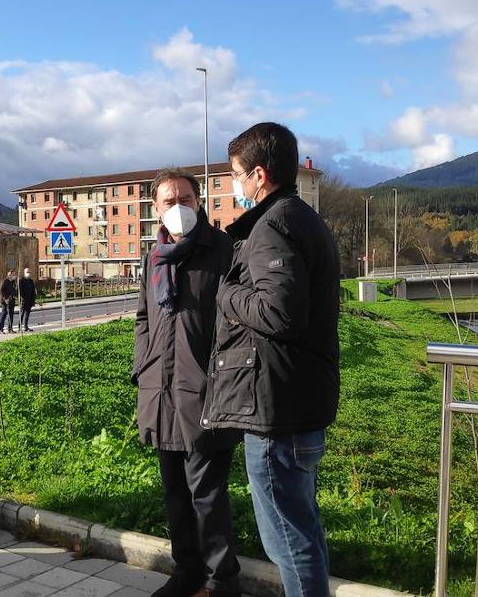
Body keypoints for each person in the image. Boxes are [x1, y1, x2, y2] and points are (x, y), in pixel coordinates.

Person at [202, 123, 341, 597]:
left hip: (276, 412)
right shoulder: (302, 217)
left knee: (287, 539)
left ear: (259, 175)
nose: (235, 185)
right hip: (298, 402)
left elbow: (278, 313)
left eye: (237, 175)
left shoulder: (272, 226)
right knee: (303, 529)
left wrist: (227, 294)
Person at [133, 170, 240, 597]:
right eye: (167, 200)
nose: (176, 206)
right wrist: (144, 366)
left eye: (184, 197)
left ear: (199, 202)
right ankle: (187, 571)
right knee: (175, 492)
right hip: (160, 390)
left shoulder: (224, 251)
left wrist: (224, 376)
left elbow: (236, 323)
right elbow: (145, 317)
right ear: (155, 209)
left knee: (207, 495)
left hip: (206, 392)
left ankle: (223, 580)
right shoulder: (154, 256)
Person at [18, 267, 37, 331]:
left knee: (27, 314)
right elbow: (19, 291)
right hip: (23, 300)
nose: (28, 273)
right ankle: (19, 327)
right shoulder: (21, 280)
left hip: (29, 300)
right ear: (24, 273)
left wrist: (33, 300)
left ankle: (26, 326)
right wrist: (22, 298)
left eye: (29, 272)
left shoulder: (31, 281)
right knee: (22, 313)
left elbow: (33, 291)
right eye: (27, 272)